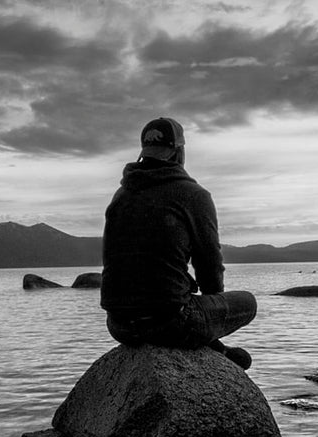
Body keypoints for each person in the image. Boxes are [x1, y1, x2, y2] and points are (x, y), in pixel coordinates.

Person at [100, 117, 256, 369]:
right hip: (170, 322)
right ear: (179, 151)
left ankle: (215, 348)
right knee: (248, 302)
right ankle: (213, 346)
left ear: (144, 152)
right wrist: (211, 308)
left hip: (119, 325)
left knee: (178, 301)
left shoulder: (121, 195)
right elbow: (209, 265)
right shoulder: (193, 195)